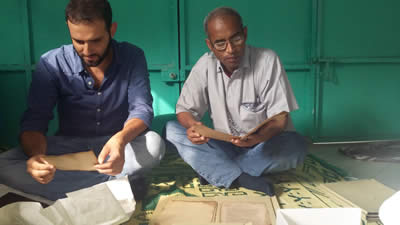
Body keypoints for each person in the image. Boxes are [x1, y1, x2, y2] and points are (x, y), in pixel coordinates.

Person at [0, 0, 165, 201]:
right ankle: (115, 188)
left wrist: (120, 140)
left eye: (96, 40)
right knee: (4, 165)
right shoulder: (51, 63)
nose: (87, 51)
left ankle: (68, 189)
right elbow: (35, 119)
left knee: (154, 145)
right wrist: (37, 158)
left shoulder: (133, 56)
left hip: (114, 146)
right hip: (68, 148)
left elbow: (141, 108)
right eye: (78, 41)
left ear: (112, 30)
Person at [165, 7, 307, 196]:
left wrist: (258, 138)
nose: (230, 50)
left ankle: (217, 172)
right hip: (225, 145)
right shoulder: (204, 65)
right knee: (172, 129)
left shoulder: (267, 60)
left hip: (262, 146)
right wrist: (193, 127)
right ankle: (241, 177)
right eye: (220, 44)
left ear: (245, 34)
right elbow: (184, 110)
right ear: (210, 45)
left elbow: (280, 120)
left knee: (296, 144)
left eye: (236, 39)